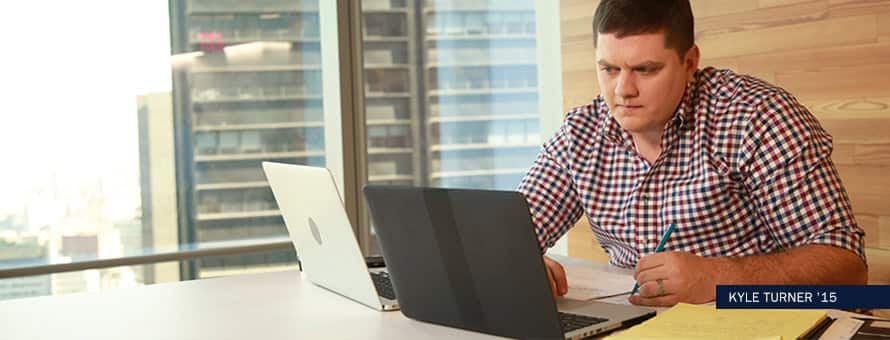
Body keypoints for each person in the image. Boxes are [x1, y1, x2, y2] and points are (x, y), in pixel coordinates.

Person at [518, 0, 867, 307]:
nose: (623, 90)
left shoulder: (756, 118)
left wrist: (718, 278)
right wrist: (520, 262)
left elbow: (849, 272)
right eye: (608, 69)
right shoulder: (581, 133)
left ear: (689, 63)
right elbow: (501, 235)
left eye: (645, 69)